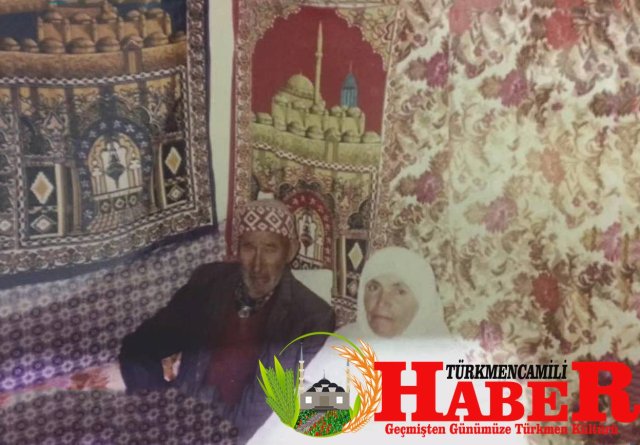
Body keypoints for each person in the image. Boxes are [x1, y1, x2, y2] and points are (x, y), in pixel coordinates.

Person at [248, 247, 529, 445]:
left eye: (400, 290)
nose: (382, 302)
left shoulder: (452, 360)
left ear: (422, 302)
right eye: (373, 287)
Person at [119, 199, 335, 443]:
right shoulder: (209, 282)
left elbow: (260, 410)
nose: (257, 265)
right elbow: (139, 346)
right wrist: (161, 412)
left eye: (270, 248)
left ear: (290, 251)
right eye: (249, 247)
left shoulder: (309, 317)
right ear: (237, 248)